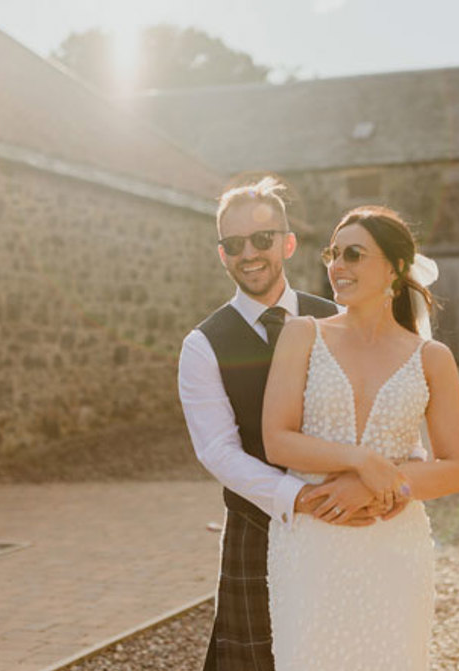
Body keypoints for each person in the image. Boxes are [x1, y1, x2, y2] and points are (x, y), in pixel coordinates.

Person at [178, 178, 401, 671]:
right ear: (222, 254)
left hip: (346, 524)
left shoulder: (337, 319)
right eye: (234, 245)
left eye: (262, 239)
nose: (249, 254)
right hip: (258, 529)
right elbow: (219, 451)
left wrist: (360, 486)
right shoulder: (203, 345)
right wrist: (299, 500)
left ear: (288, 242)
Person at [262, 205, 459, 670]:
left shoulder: (432, 358)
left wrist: (378, 485)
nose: (337, 266)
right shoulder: (302, 335)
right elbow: (277, 439)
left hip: (394, 545)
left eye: (353, 254)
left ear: (395, 267)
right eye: (333, 254)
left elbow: (455, 468)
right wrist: (363, 461)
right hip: (312, 541)